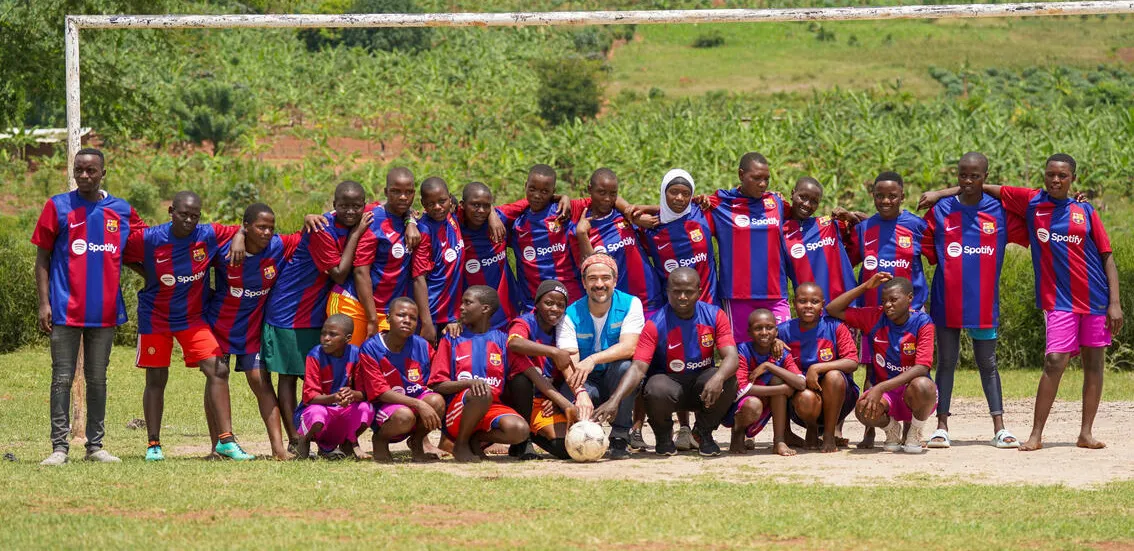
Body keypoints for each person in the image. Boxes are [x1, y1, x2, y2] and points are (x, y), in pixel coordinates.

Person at [923, 153, 1122, 451]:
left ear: (1073, 178)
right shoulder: (1032, 203)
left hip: (1092, 299)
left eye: (1063, 175)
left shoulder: (1083, 210)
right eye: (1051, 174)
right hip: (1054, 300)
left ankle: (1083, 433)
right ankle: (1031, 434)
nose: (1056, 180)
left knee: (1093, 365)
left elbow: (1106, 256)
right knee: (1052, 361)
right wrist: (941, 194)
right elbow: (978, 186)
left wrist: (1114, 302)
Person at [32, 148, 146, 465]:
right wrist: (44, 303)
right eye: (79, 170)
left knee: (98, 379)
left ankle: (95, 447)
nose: (84, 175)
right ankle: (59, 448)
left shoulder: (121, 211)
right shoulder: (57, 206)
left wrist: (160, 278)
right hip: (64, 308)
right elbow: (42, 257)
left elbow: (144, 247)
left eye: (91, 170)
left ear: (102, 173)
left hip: (104, 311)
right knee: (61, 378)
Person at [124, 191, 253, 461]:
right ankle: (154, 445)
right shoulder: (150, 239)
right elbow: (122, 252)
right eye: (184, 214)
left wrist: (240, 236)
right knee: (156, 378)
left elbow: (243, 227)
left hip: (192, 318)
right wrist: (149, 274)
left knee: (218, 370)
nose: (189, 220)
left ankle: (226, 442)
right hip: (156, 317)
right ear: (171, 211)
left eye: (195, 216)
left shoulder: (207, 235)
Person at [262, 181, 372, 455]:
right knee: (289, 376)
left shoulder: (358, 213)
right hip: (291, 311)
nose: (350, 211)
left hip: (315, 311)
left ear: (363, 204)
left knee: (317, 373)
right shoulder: (322, 229)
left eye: (356, 206)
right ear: (334, 205)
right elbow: (340, 273)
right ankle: (295, 437)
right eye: (344, 206)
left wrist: (410, 220)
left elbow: (391, 207)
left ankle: (327, 435)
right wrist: (357, 233)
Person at [919, 153, 1018, 449]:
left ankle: (1000, 428)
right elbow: (916, 239)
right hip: (947, 301)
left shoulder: (1000, 211)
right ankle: (941, 427)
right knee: (946, 363)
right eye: (963, 175)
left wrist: (1076, 203)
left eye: (975, 176)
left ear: (986, 177)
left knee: (988, 364)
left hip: (984, 305)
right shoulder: (941, 211)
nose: (968, 181)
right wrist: (942, 195)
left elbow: (1038, 208)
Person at [594, 267, 739, 457]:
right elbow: (638, 368)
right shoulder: (655, 323)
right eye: (676, 292)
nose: (682, 297)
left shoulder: (715, 315)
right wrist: (614, 400)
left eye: (688, 292)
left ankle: (703, 433)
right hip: (669, 387)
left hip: (702, 386)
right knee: (655, 388)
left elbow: (732, 357)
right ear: (667, 292)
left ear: (699, 291)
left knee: (728, 379)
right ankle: (663, 437)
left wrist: (718, 378)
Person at [206, 203, 302, 461]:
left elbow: (306, 234)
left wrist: (312, 217)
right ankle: (217, 446)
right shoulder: (225, 249)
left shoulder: (278, 246)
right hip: (220, 326)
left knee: (261, 382)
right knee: (216, 378)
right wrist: (237, 235)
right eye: (260, 227)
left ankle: (278, 450)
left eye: (271, 227)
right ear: (246, 226)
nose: (267, 232)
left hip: (252, 329)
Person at [827, 273, 937, 454]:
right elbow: (832, 309)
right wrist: (865, 287)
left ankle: (915, 431)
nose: (887, 305)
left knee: (924, 385)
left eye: (893, 300)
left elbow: (922, 367)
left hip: (913, 392)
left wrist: (880, 387)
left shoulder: (922, 322)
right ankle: (891, 429)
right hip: (888, 396)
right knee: (863, 409)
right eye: (884, 301)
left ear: (909, 298)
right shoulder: (875, 317)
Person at [556, 253, 645, 459]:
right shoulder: (570, 314)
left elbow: (630, 347)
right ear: (584, 283)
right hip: (585, 381)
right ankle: (584, 434)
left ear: (615, 280)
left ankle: (620, 435)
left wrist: (593, 359)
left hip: (614, 376)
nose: (599, 284)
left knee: (626, 368)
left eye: (605, 278)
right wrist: (580, 393)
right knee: (570, 396)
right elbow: (569, 362)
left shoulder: (631, 304)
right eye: (592, 278)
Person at [428, 286, 529, 463]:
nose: (461, 307)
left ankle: (475, 440)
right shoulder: (452, 338)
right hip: (459, 411)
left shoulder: (501, 340)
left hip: (491, 408)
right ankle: (460, 444)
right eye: (461, 302)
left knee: (520, 430)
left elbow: (527, 372)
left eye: (467, 303)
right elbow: (437, 384)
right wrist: (469, 384)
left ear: (485, 309)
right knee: (482, 392)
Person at [701, 153, 792, 340]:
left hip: (775, 293)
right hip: (737, 295)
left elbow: (801, 219)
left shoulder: (776, 202)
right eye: (756, 178)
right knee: (742, 351)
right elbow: (683, 212)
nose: (763, 184)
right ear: (741, 175)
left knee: (783, 345)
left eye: (766, 179)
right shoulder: (719, 204)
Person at [327, 169, 417, 346]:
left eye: (408, 192)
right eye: (396, 191)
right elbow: (361, 272)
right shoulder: (372, 220)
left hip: (386, 310)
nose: (403, 197)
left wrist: (410, 220)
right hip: (354, 305)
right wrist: (372, 318)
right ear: (386, 192)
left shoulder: (414, 222)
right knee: (347, 360)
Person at [357, 297, 446, 463]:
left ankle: (417, 442)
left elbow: (437, 378)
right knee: (404, 416)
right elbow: (381, 393)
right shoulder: (371, 347)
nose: (407, 320)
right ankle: (380, 440)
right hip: (385, 407)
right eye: (401, 315)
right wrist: (418, 404)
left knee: (437, 401)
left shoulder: (422, 345)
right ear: (388, 318)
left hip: (414, 401)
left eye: (413, 318)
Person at [776, 282, 860, 453]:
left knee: (834, 375)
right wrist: (773, 342)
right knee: (803, 395)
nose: (808, 305)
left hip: (838, 398)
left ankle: (829, 435)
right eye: (802, 301)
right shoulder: (783, 331)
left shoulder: (835, 326)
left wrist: (817, 368)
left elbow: (852, 362)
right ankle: (811, 428)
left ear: (822, 304)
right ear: (794, 303)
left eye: (814, 302)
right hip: (802, 401)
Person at [504, 280, 581, 460]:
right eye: (548, 303)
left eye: (560, 305)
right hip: (520, 400)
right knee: (522, 379)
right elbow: (514, 343)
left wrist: (556, 399)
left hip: (546, 399)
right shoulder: (525, 322)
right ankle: (521, 442)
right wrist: (554, 352)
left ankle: (529, 435)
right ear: (537, 303)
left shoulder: (563, 328)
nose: (554, 309)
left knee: (567, 448)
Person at [571, 168, 665, 313]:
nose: (607, 199)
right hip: (614, 309)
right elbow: (588, 269)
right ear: (590, 190)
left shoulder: (625, 215)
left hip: (649, 300)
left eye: (613, 193)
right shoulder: (581, 228)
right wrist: (582, 234)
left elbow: (671, 212)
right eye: (601, 192)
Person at [725, 309, 805, 456]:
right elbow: (742, 389)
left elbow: (801, 383)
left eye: (769, 328)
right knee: (754, 403)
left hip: (768, 403)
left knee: (777, 379)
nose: (764, 332)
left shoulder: (781, 353)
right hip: (742, 406)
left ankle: (779, 441)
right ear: (749, 332)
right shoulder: (742, 350)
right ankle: (738, 432)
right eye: (758, 328)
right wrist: (782, 389)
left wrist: (769, 366)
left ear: (776, 331)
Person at [294, 314, 374, 460]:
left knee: (366, 409)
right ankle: (304, 441)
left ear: (348, 338)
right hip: (316, 412)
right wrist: (334, 398)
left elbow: (365, 393)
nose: (326, 338)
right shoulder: (315, 355)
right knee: (317, 413)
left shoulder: (355, 354)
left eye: (332, 334)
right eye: (323, 333)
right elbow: (310, 398)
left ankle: (348, 443)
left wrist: (352, 395)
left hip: (341, 411)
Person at [507, 164, 584, 311]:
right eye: (532, 189)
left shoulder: (564, 212)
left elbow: (602, 198)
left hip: (572, 301)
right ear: (525, 186)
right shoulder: (517, 225)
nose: (537, 195)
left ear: (553, 192)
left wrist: (564, 197)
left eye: (544, 191)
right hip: (534, 306)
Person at [641, 169, 717, 306]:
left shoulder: (703, 212)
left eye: (686, 194)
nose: (680, 198)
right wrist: (633, 215)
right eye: (674, 192)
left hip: (710, 305)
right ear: (663, 192)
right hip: (672, 309)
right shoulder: (649, 227)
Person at [456, 182, 521, 331]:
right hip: (471, 319)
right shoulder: (454, 226)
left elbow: (530, 200)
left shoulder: (501, 217)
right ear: (462, 205)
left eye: (486, 206)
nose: (481, 210)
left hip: (507, 313)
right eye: (475, 205)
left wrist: (562, 198)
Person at [782, 177, 857, 303]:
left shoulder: (829, 225)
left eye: (814, 201)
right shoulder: (780, 232)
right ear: (792, 193)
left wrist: (850, 217)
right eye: (803, 197)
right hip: (810, 308)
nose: (807, 204)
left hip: (847, 303)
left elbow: (864, 233)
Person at [411, 177, 465, 343]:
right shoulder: (424, 231)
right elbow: (418, 278)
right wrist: (427, 323)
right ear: (423, 204)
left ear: (450, 199)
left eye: (442, 201)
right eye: (430, 203)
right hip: (433, 314)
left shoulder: (452, 217)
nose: (437, 207)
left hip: (451, 314)